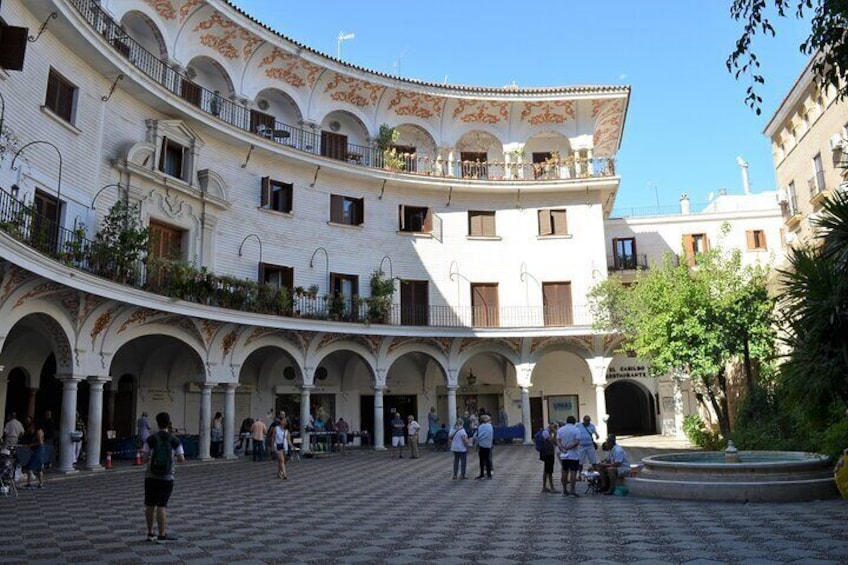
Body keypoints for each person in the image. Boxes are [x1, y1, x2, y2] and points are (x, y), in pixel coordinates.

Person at [143, 412, 184, 543]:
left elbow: (144, 457)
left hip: (150, 475)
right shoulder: (174, 440)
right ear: (168, 423)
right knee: (162, 505)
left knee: (149, 504)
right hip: (167, 476)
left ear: (157, 422)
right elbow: (181, 458)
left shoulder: (151, 439)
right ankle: (162, 534)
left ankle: (150, 533)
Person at [556, 415, 581, 497]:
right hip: (573, 454)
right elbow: (577, 442)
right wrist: (569, 447)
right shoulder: (576, 429)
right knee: (573, 472)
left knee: (564, 471)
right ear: (574, 422)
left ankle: (564, 490)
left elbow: (558, 440)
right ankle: (572, 490)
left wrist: (562, 448)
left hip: (564, 454)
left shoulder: (560, 429)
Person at [22, 420, 45, 489]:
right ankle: (40, 483)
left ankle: (29, 483)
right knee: (39, 467)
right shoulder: (36, 431)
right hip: (38, 450)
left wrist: (30, 445)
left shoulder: (38, 432)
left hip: (38, 450)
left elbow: (40, 442)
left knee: (30, 466)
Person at [539, 422, 559, 493]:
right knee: (549, 471)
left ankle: (545, 487)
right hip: (547, 453)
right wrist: (555, 433)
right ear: (550, 425)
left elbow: (555, 443)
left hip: (550, 453)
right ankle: (551, 487)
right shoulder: (546, 432)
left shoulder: (549, 432)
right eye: (553, 426)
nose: (554, 428)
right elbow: (551, 441)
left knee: (547, 470)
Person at [475, 413, 494, 479]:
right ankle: (489, 474)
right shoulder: (490, 426)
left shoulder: (481, 427)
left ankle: (482, 474)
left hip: (482, 445)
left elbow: (478, 435)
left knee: (482, 460)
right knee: (488, 460)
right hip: (488, 444)